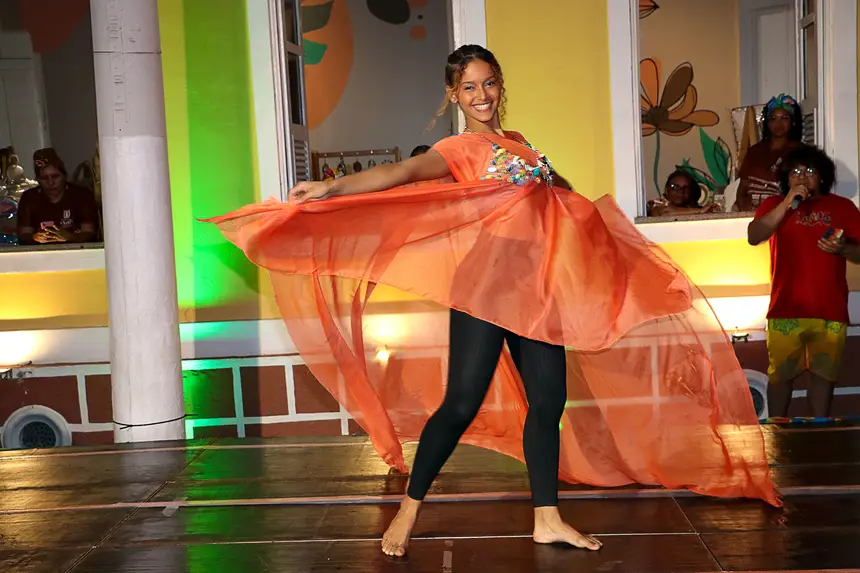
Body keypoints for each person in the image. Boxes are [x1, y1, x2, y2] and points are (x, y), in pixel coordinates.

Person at [206, 45, 779, 558]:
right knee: (460, 404)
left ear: (501, 85)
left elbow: (564, 198)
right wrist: (330, 187)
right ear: (453, 95)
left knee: (548, 402)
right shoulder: (459, 148)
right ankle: (409, 507)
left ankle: (546, 519)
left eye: (489, 83)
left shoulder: (523, 145)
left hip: (537, 290)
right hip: (485, 289)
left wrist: (576, 215)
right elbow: (402, 171)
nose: (481, 95)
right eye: (469, 87)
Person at [748, 146, 860, 418]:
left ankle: (819, 433)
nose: (802, 176)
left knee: (824, 378)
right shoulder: (774, 205)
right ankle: (777, 431)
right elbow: (754, 236)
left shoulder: (843, 207)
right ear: (786, 178)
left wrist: (843, 249)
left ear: (822, 177)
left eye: (810, 171)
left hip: (830, 310)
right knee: (780, 378)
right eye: (795, 171)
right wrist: (787, 202)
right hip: (785, 310)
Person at [733, 94, 804, 212]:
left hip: (784, 214)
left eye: (784, 118)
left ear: (793, 121)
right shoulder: (754, 151)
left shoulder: (801, 152)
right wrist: (745, 212)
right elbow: (742, 189)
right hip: (751, 215)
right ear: (767, 122)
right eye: (773, 118)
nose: (778, 123)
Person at [16, 148, 98, 245]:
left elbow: (89, 233)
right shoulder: (29, 198)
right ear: (37, 179)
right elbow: (24, 235)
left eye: (55, 176)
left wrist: (70, 237)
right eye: (44, 178)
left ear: (64, 176)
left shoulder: (81, 195)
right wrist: (35, 237)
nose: (50, 182)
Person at [647, 170, 720, 216]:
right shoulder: (656, 204)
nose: (681, 191)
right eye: (674, 186)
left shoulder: (693, 208)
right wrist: (700, 211)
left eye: (686, 187)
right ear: (666, 190)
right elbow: (665, 212)